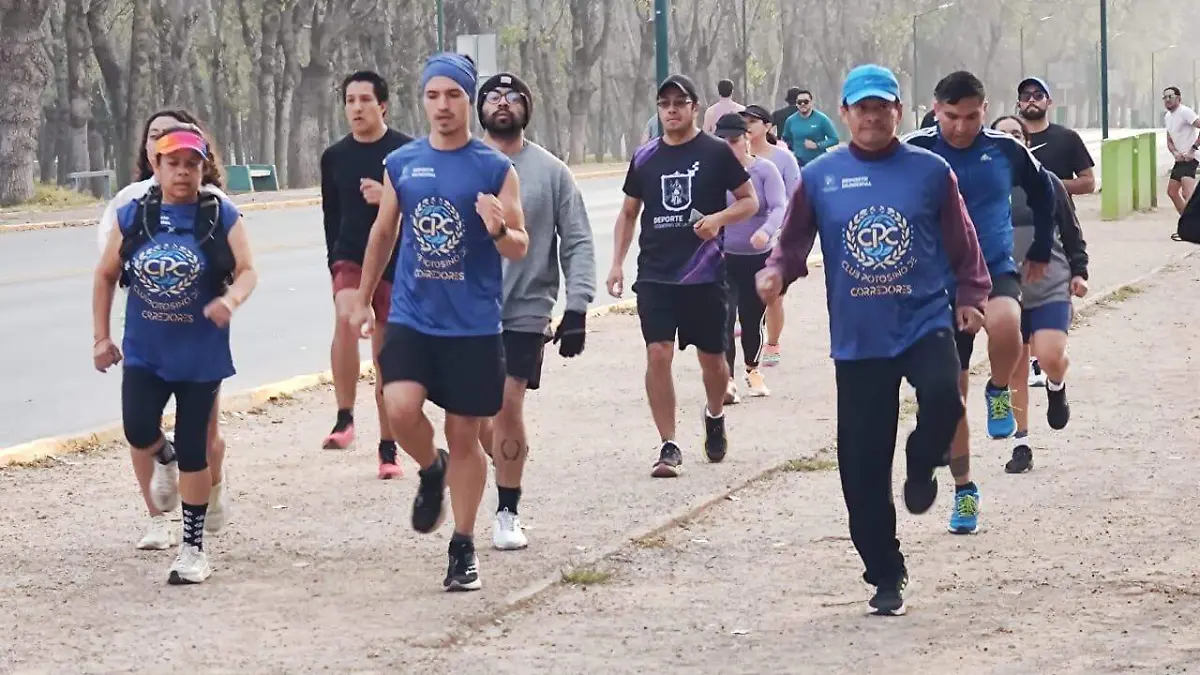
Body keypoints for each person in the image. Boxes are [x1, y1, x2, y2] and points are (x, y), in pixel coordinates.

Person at [757, 64, 990, 616]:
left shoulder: (931, 172)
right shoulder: (821, 176)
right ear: (844, 114)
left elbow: (963, 243)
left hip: (923, 319)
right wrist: (775, 273)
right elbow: (792, 245)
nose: (871, 116)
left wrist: (972, 296)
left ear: (898, 112)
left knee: (944, 398)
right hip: (860, 337)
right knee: (860, 467)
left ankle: (920, 458)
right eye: (861, 107)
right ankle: (885, 573)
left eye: (882, 107)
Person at [347, 53, 529, 592]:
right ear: (422, 100)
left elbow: (520, 246)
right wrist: (361, 298)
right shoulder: (403, 162)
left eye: (453, 95)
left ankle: (463, 546)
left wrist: (498, 230)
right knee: (397, 406)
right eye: (433, 96)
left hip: (472, 326)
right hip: (412, 316)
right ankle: (430, 469)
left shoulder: (494, 168)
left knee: (466, 434)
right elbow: (383, 233)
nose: (443, 106)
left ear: (467, 101)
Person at [93, 126, 258, 584]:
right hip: (145, 351)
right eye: (173, 163)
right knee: (137, 428)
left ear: (203, 167)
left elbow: (247, 271)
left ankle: (193, 549)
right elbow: (106, 275)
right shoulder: (134, 214)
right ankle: (162, 458)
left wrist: (231, 301)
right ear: (157, 167)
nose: (182, 172)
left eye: (191, 163)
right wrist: (100, 337)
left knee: (195, 449)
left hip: (200, 355)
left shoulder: (218, 213)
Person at [903, 70, 1056, 536]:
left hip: (993, 268)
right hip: (936, 285)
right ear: (935, 109)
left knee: (1008, 323)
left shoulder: (1006, 149)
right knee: (950, 399)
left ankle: (998, 390)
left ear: (984, 111)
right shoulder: (918, 150)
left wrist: (1041, 247)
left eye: (971, 116)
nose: (962, 127)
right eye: (952, 117)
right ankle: (964, 489)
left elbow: (1044, 193)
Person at [606, 73, 758, 478]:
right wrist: (617, 262)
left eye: (679, 102)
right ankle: (668, 444)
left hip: (704, 274)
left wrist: (718, 219)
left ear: (694, 107)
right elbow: (628, 213)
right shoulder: (645, 157)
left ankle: (713, 414)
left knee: (713, 362)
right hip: (656, 274)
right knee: (658, 353)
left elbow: (749, 201)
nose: (671, 110)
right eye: (664, 103)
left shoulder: (716, 153)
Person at [474, 72, 596, 551]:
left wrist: (579, 306)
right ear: (479, 108)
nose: (503, 104)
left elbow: (579, 240)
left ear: (528, 107)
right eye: (493, 97)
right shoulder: (462, 165)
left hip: (525, 308)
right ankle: (508, 460)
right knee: (472, 417)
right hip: (464, 310)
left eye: (513, 97)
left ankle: (507, 509)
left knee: (508, 402)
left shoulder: (550, 171)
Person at [319, 70, 414, 480]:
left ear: (383, 106)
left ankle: (388, 448)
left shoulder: (407, 153)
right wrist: (332, 264)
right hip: (350, 258)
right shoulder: (334, 157)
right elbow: (331, 217)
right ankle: (344, 417)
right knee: (346, 315)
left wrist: (389, 198)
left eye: (364, 100)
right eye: (350, 100)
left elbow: (424, 214)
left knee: (384, 355)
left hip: (395, 262)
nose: (356, 108)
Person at [991, 116, 1089, 473]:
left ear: (1027, 143)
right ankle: (1022, 444)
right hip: (1005, 289)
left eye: (1016, 135)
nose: (1011, 141)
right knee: (1015, 368)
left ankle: (1056, 382)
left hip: (1050, 285)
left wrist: (1079, 272)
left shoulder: (1047, 183)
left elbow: (1072, 231)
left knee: (1049, 355)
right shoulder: (980, 188)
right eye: (1002, 135)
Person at [712, 113, 785, 401]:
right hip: (724, 257)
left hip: (758, 259)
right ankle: (727, 379)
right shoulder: (713, 175)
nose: (729, 147)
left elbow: (779, 206)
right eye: (722, 142)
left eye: (734, 141)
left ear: (747, 140)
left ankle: (753, 369)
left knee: (752, 319)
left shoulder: (764, 171)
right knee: (726, 317)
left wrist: (766, 231)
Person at [742, 104, 800, 367]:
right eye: (744, 121)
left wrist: (788, 231)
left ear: (767, 126)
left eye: (753, 121)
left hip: (775, 237)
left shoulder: (782, 158)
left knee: (773, 295)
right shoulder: (734, 156)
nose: (747, 125)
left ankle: (773, 342)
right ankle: (751, 328)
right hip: (739, 238)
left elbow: (795, 197)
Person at [1016, 77, 1095, 198]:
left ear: (1049, 102)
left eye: (1038, 96)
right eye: (1025, 96)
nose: (1031, 100)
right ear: (1019, 104)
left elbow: (1089, 183)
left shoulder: (1068, 137)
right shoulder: (1008, 139)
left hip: (1058, 214)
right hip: (1016, 215)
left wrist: (1050, 183)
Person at [1162, 86, 1200, 214]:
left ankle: (1193, 227)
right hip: (1180, 160)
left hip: (1191, 158)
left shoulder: (1185, 112)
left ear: (1178, 98)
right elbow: (1169, 140)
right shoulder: (1168, 116)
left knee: (1187, 194)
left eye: (1170, 97)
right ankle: (1187, 223)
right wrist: (1174, 153)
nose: (1167, 100)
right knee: (1172, 192)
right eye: (1165, 97)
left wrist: (1193, 149)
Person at [780, 90, 839, 167]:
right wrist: (791, 151)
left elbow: (834, 139)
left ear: (811, 102)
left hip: (818, 162)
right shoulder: (790, 120)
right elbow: (785, 139)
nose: (802, 104)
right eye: (799, 102)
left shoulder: (822, 119)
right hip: (798, 163)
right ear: (796, 104)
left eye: (806, 101)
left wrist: (817, 145)